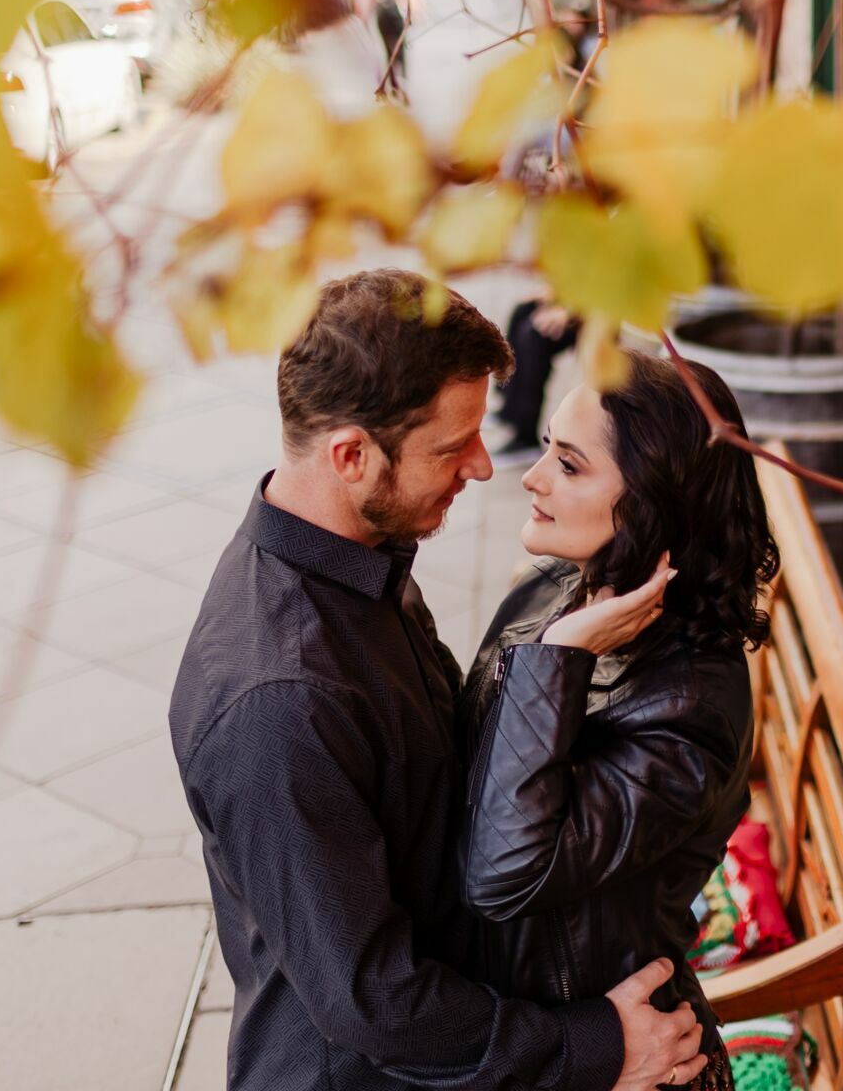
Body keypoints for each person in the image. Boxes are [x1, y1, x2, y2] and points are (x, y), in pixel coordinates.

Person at [169, 270, 709, 1091]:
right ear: (351, 455)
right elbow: (376, 1003)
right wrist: (594, 1046)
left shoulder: (360, 563)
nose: (487, 467)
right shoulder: (279, 705)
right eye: (452, 446)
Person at [455, 350, 780, 1091]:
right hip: (537, 1034)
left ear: (651, 504)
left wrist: (558, 657)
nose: (533, 480)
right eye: (545, 450)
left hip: (619, 1056)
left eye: (570, 466)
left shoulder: (689, 709)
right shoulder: (555, 587)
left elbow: (504, 875)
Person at [490, 298, 580, 467]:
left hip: (601, 315)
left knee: (533, 333)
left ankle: (526, 438)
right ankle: (509, 410)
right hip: (581, 303)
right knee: (522, 309)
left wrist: (571, 312)